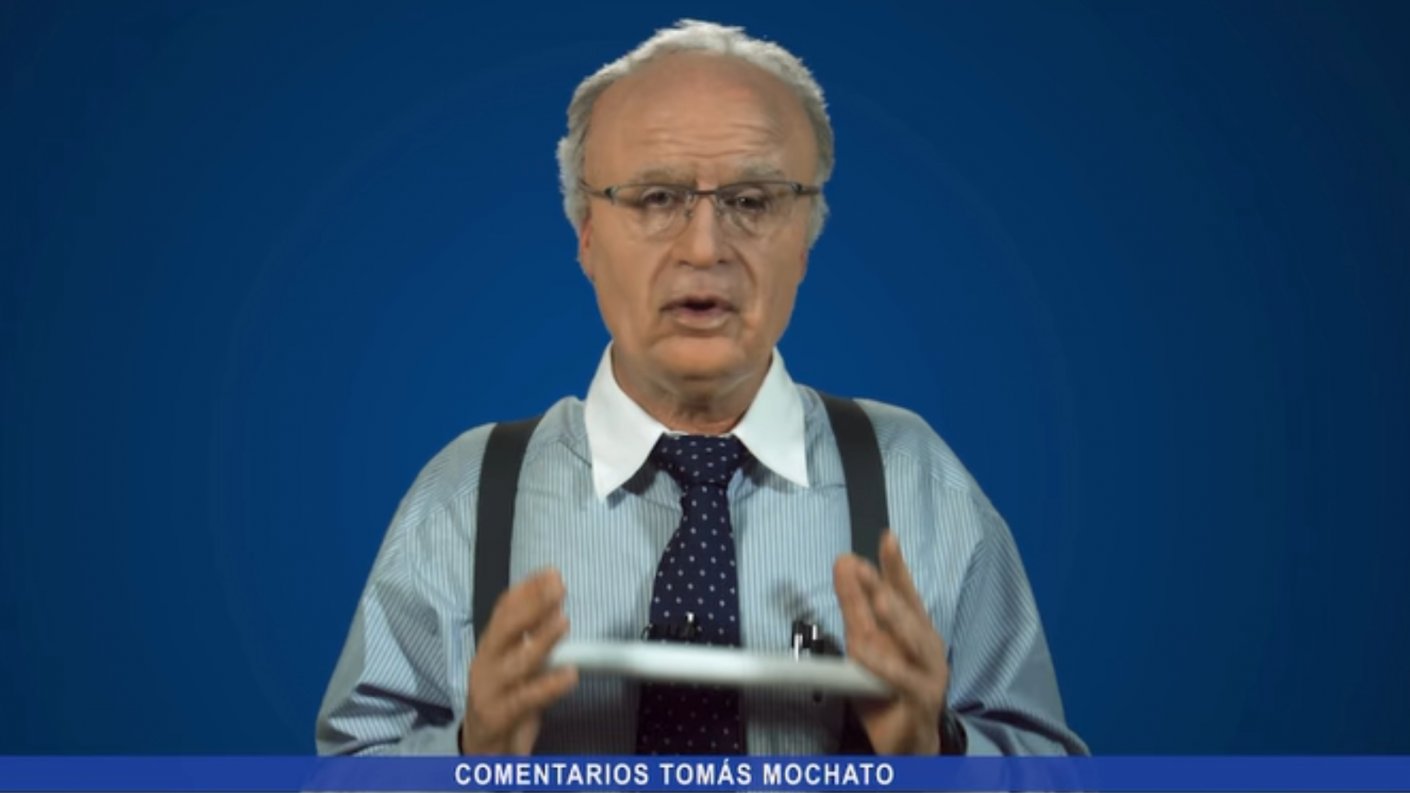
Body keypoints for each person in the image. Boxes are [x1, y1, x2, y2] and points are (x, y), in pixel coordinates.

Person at [316, 19, 1086, 757]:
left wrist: (938, 752)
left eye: (752, 201)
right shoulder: (466, 497)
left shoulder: (919, 487)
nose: (705, 246)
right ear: (587, 234)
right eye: (657, 198)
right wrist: (468, 754)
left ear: (806, 237)